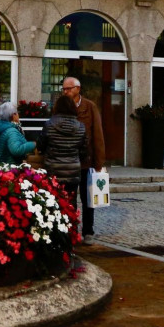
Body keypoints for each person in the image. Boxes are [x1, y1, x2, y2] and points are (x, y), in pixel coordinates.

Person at [60, 76, 105, 240]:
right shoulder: (61, 106)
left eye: (68, 88)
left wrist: (99, 161)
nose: (65, 92)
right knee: (69, 198)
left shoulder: (90, 107)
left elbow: (98, 135)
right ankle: (70, 231)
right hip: (68, 162)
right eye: (64, 89)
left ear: (78, 89)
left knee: (87, 199)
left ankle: (88, 231)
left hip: (86, 162)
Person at [38, 93, 88, 224]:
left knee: (52, 202)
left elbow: (41, 146)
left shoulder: (49, 125)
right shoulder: (81, 127)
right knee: (71, 202)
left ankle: (55, 233)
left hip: (53, 171)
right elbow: (84, 151)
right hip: (73, 172)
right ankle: (71, 232)